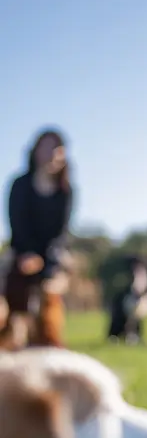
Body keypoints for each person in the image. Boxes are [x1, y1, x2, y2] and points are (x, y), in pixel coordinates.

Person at [1, 129, 74, 347]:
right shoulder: (20, 185)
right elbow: (17, 224)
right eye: (45, 147)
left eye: (56, 148)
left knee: (51, 292)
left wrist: (48, 261)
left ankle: (50, 340)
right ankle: (12, 337)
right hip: (21, 253)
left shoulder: (65, 191)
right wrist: (26, 254)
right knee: (15, 288)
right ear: (35, 151)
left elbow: (60, 233)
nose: (51, 153)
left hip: (50, 256)